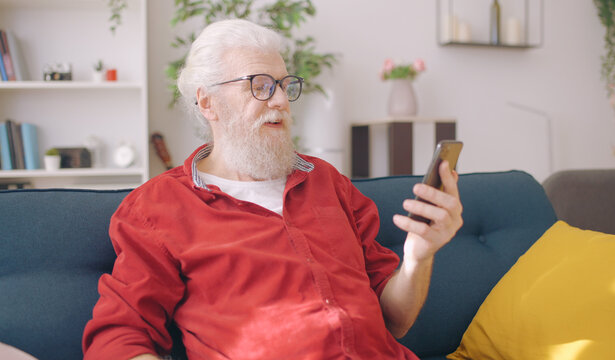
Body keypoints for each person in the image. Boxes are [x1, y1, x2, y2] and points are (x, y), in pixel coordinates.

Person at [82, 19, 463, 360]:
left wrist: (418, 257)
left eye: (284, 85)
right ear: (208, 102)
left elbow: (396, 322)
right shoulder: (158, 208)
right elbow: (118, 338)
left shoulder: (328, 182)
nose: (280, 100)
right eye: (260, 86)